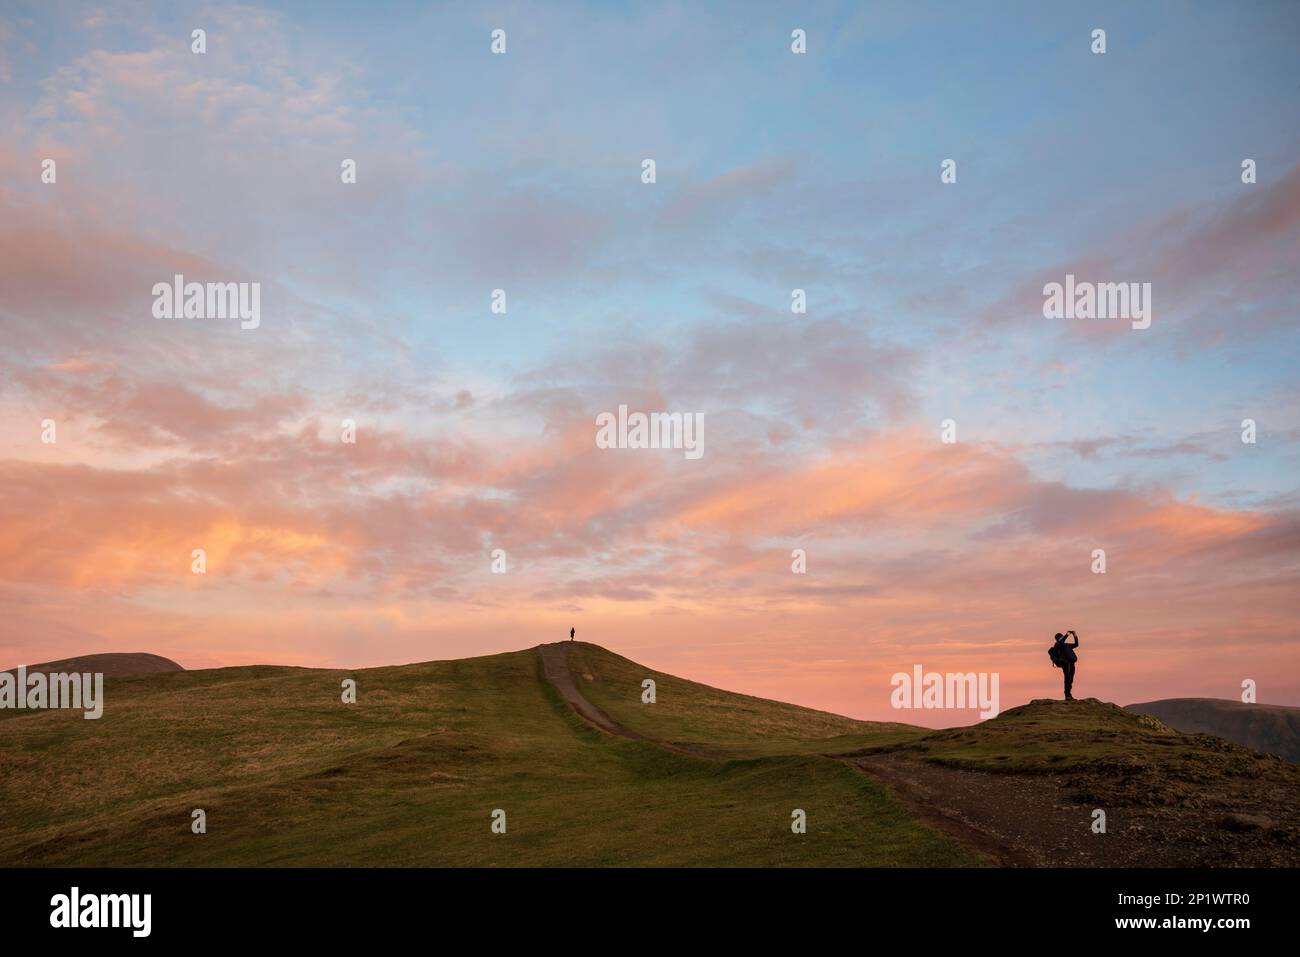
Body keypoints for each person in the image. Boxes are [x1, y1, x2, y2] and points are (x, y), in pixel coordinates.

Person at [1052, 630, 1079, 700]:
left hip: (1072, 663)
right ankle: (1067, 695)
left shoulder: (1066, 645)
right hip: (1065, 663)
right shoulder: (1057, 645)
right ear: (1058, 639)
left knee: (1071, 679)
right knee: (1067, 679)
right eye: (1061, 637)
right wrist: (1067, 634)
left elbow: (1076, 644)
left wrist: (1075, 635)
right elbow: (1061, 642)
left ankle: (1069, 695)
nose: (1062, 638)